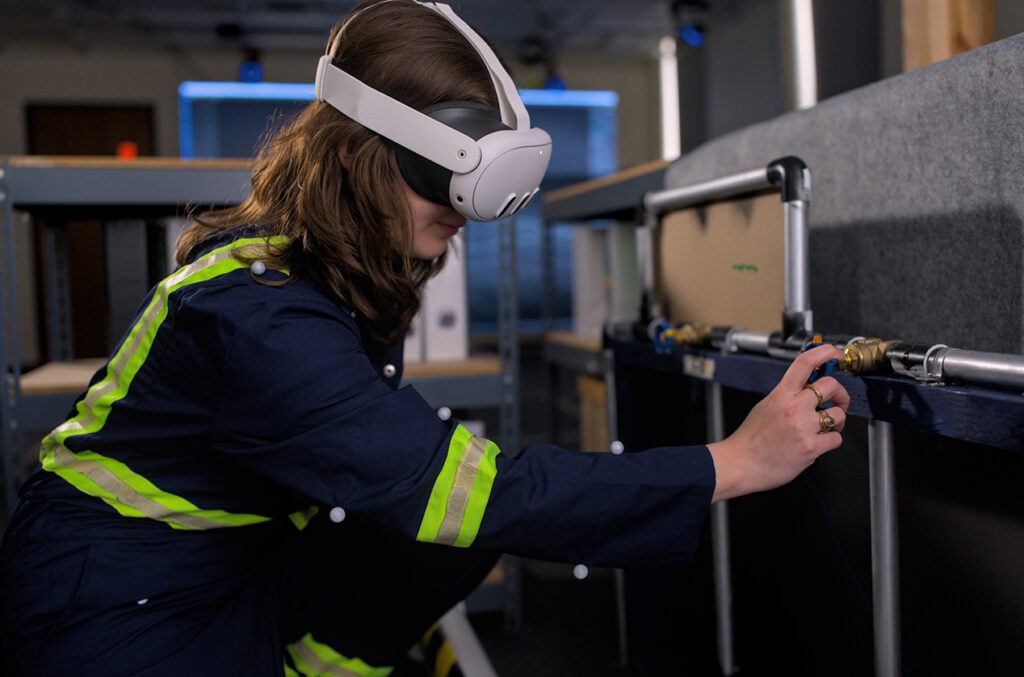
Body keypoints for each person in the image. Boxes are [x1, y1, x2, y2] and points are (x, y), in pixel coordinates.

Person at [0, 1, 850, 674]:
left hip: (224, 565)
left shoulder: (318, 264)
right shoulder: (262, 319)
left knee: (446, 537)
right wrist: (732, 462)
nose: (464, 211)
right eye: (438, 178)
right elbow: (466, 489)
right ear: (350, 158)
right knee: (461, 504)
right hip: (111, 607)